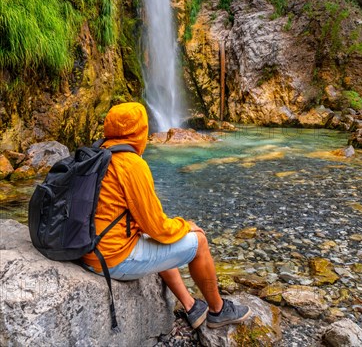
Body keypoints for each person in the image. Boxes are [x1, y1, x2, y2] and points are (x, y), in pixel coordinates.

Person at [82, 102, 251, 329]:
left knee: (157, 241)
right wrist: (185, 226)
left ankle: (191, 307)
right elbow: (158, 228)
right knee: (198, 241)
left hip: (89, 249)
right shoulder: (131, 164)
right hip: (111, 259)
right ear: (140, 132)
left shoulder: (97, 156)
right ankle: (218, 310)